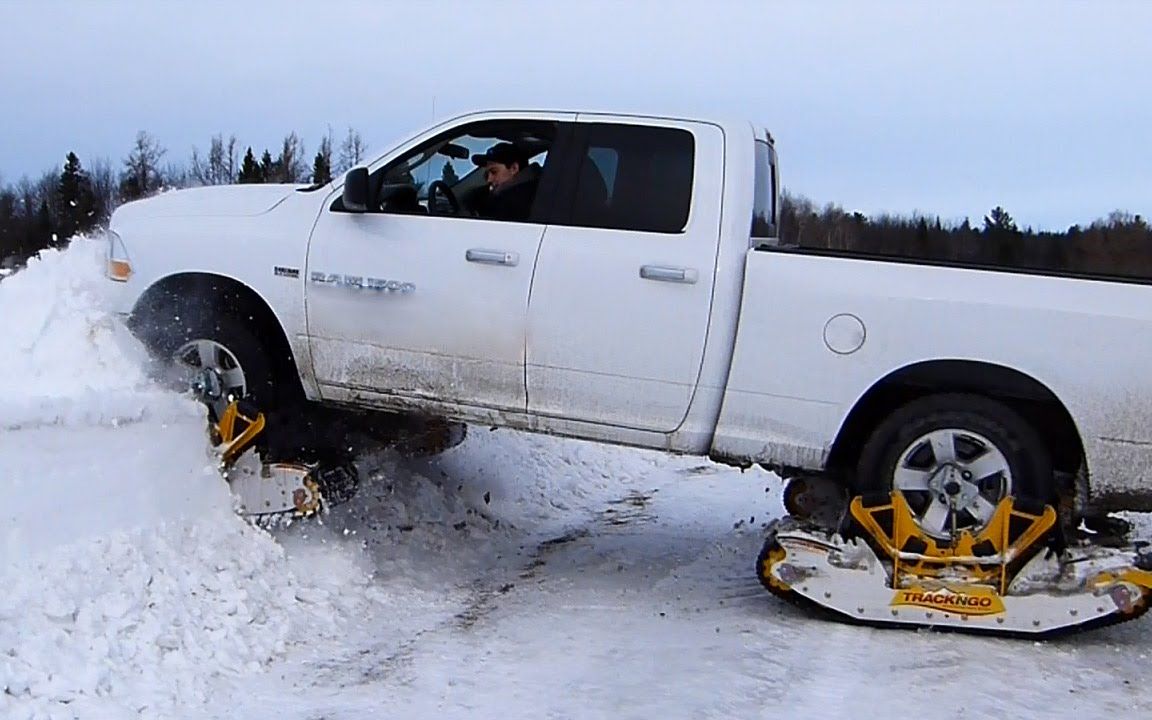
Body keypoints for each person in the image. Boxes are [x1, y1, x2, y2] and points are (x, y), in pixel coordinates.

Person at [471, 142, 541, 221]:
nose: (489, 179)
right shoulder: (539, 188)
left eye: (494, 172)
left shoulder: (512, 203)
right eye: (487, 174)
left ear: (514, 168)